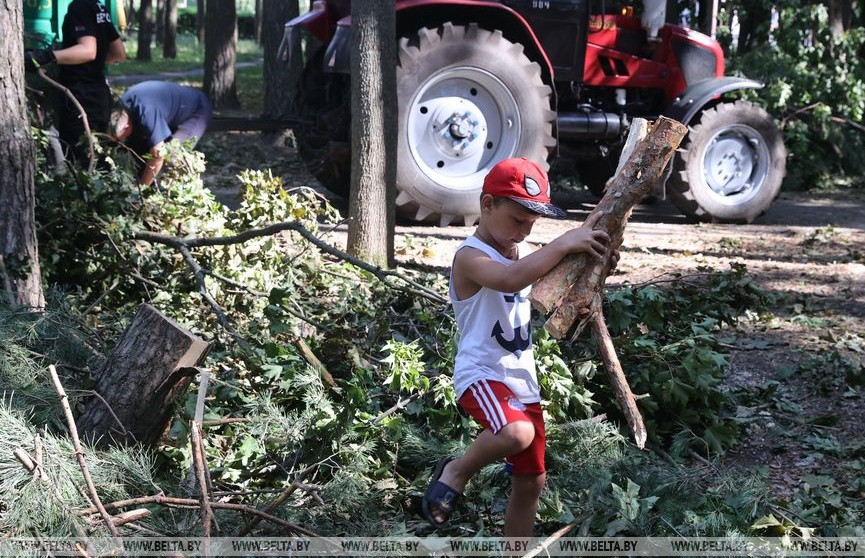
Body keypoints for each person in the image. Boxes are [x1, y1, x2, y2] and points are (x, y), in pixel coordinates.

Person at [422, 157, 616, 537]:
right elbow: (510, 280)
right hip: (482, 375)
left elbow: (557, 285)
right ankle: (455, 470)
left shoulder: (521, 257)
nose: (524, 232)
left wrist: (597, 260)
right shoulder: (470, 257)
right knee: (516, 434)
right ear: (487, 204)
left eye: (532, 224)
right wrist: (563, 243)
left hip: (521, 383)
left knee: (531, 483)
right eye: (516, 220)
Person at [25, 0, 126, 163]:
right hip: (100, 98)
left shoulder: (79, 6)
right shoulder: (98, 6)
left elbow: (88, 51)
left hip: (80, 99)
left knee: (78, 163)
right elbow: (119, 53)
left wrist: (49, 56)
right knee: (97, 162)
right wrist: (94, 63)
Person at [109, 81, 213, 186]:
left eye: (119, 138)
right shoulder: (119, 109)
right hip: (167, 108)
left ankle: (172, 191)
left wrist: (141, 188)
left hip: (196, 108)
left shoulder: (147, 112)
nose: (120, 142)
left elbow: (158, 154)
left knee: (172, 157)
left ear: (126, 126)